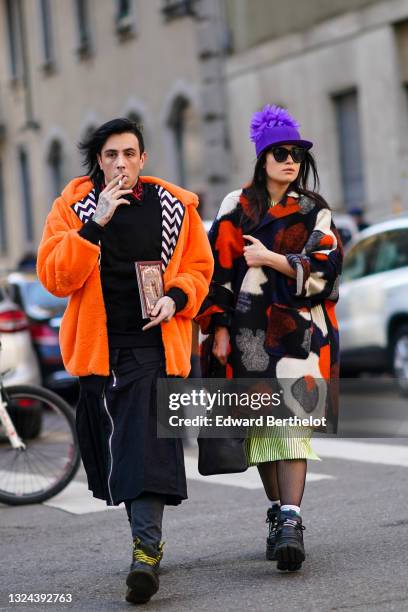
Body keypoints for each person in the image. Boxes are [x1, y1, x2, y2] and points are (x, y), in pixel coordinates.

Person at [37, 118, 213, 604]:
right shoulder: (73, 208)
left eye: (129, 153)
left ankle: (145, 554)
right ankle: (145, 542)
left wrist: (176, 298)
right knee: (117, 455)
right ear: (99, 161)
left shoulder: (174, 206)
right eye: (111, 155)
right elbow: (56, 277)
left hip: (153, 346)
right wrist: (95, 225)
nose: (121, 163)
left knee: (145, 441)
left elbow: (200, 269)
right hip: (99, 351)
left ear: (143, 158)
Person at [196, 105, 343, 572]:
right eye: (280, 152)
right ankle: (279, 516)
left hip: (301, 336)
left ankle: (291, 521)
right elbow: (217, 273)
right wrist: (217, 328)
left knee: (292, 428)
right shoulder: (233, 208)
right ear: (262, 158)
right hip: (248, 337)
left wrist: (273, 260)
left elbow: (327, 271)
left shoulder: (314, 210)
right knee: (262, 433)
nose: (290, 160)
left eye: (297, 153)